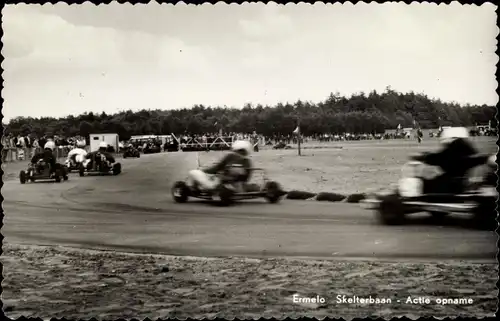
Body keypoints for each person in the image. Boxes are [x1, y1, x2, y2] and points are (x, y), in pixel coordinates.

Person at [410, 126, 488, 194]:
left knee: (420, 183)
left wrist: (422, 156)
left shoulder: (451, 153)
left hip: (447, 188)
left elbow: (437, 158)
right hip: (460, 186)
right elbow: (479, 159)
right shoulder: (470, 155)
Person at [187, 140, 253, 192]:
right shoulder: (247, 161)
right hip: (239, 186)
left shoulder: (230, 156)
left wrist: (203, 171)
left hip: (221, 184)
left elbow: (216, 168)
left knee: (193, 172)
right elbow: (246, 177)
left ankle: (195, 188)